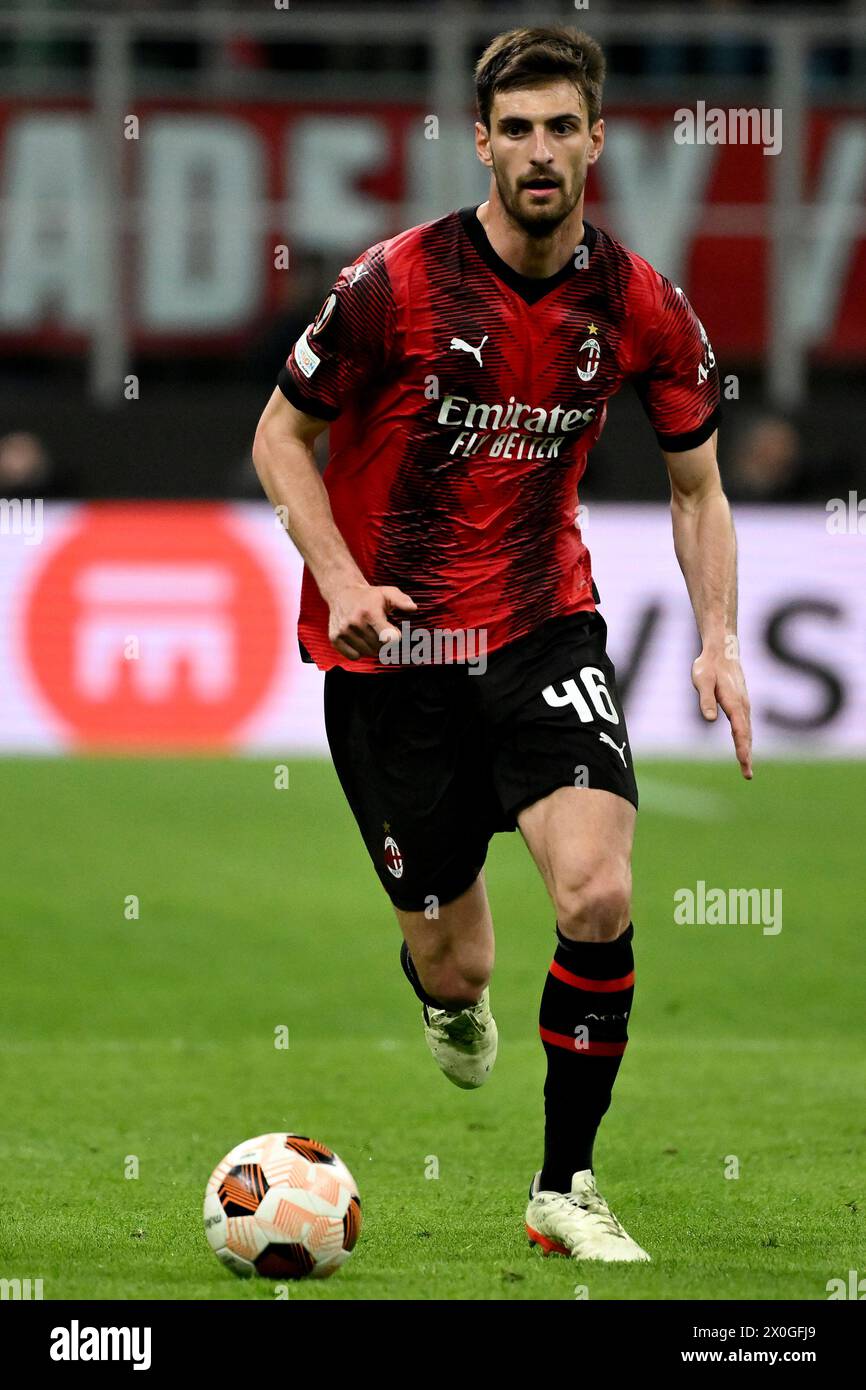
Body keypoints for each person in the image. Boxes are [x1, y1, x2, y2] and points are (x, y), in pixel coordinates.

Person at [252, 25, 753, 1264]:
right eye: (513, 128)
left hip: (541, 628)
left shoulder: (639, 302)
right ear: (478, 141)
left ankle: (563, 1186)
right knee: (459, 959)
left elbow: (696, 487)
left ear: (594, 137)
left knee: (594, 891)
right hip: (391, 657)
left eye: (559, 126)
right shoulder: (393, 284)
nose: (538, 150)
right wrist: (341, 576)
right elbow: (279, 436)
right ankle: (438, 992)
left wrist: (718, 637)